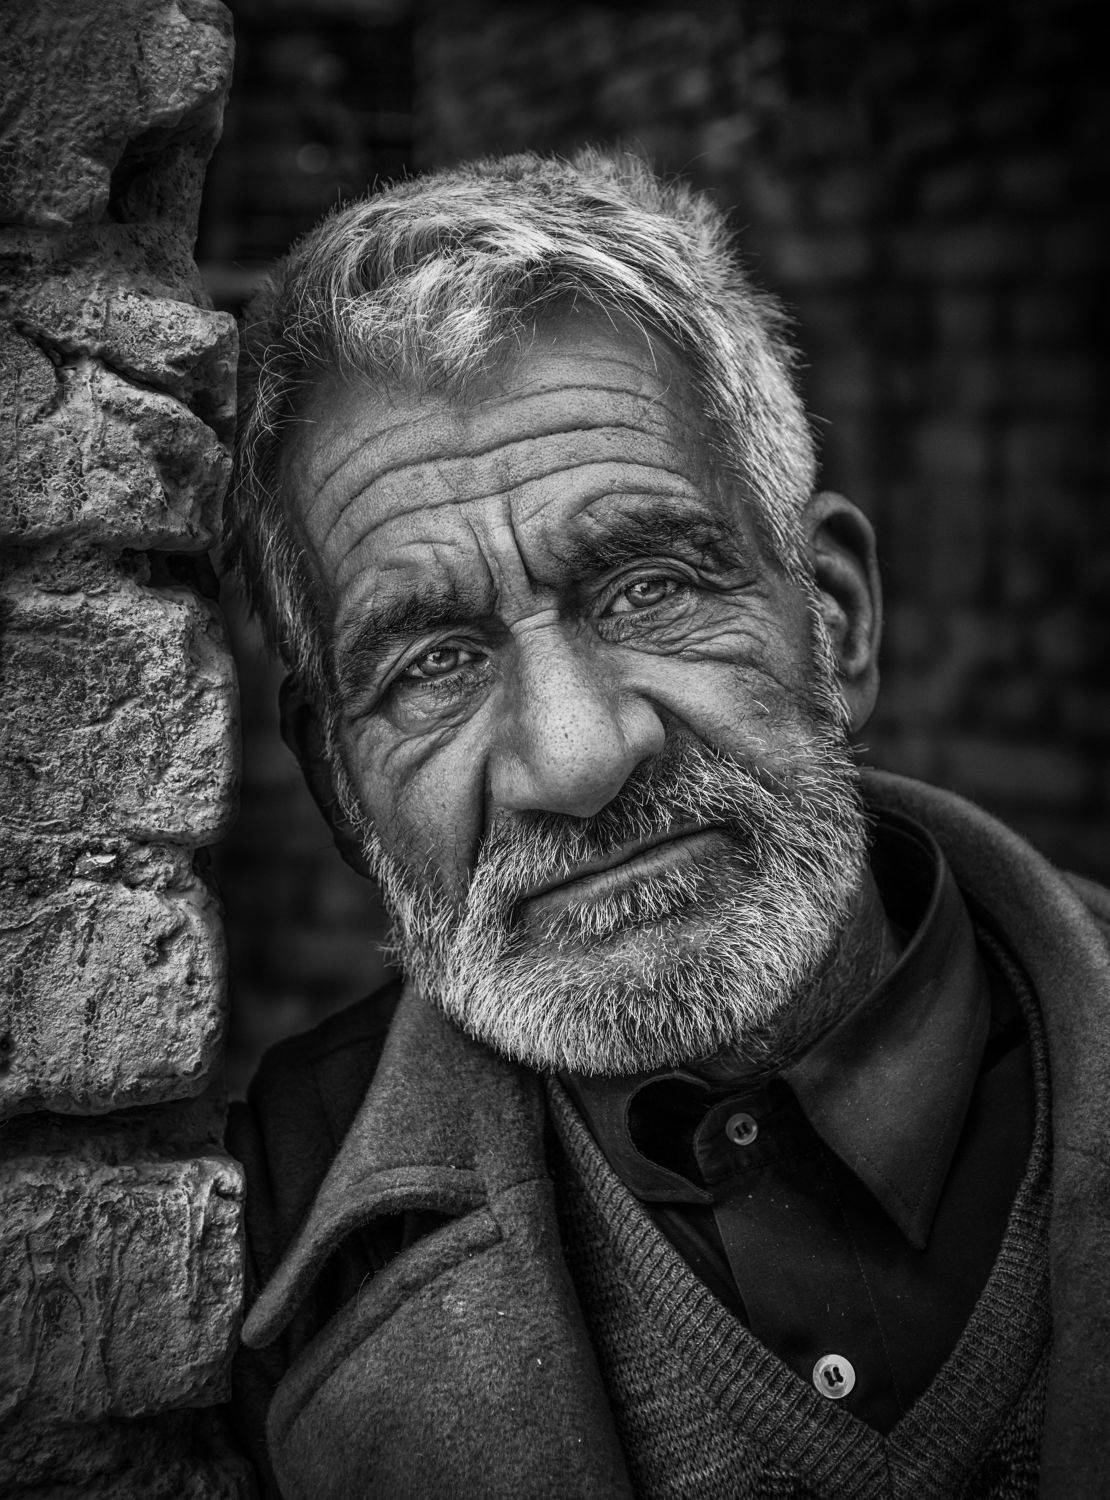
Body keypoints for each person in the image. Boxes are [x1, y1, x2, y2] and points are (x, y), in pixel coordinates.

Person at [224, 150, 1110, 1499]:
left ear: (834, 620)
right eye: (432, 664)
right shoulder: (242, 1241)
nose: (576, 759)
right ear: (342, 789)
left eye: (645, 587)